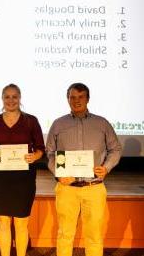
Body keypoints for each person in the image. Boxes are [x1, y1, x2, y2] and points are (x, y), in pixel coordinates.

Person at [46, 82, 122, 256]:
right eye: (72, 97)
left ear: (88, 99)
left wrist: (106, 167)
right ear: (67, 99)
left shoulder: (102, 123)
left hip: (93, 187)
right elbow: (50, 153)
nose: (76, 101)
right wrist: (58, 174)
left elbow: (115, 149)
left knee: (94, 236)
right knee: (65, 234)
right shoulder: (58, 124)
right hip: (66, 188)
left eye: (81, 97)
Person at [0, 83, 45, 256]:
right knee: (3, 221)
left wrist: (35, 156)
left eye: (14, 96)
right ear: (2, 99)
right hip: (2, 179)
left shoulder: (31, 120)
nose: (11, 100)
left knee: (21, 222)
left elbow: (41, 148)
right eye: (7, 97)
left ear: (20, 98)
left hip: (24, 179)